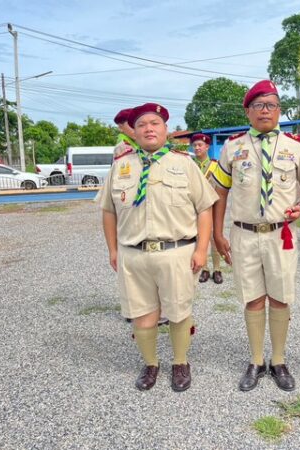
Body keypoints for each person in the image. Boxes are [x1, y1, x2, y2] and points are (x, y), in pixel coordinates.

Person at [98, 103, 218, 392]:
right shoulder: (120, 166)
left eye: (155, 123)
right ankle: (151, 364)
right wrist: (113, 250)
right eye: (142, 125)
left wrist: (202, 249)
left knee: (178, 312)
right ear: (134, 132)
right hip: (133, 254)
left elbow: (204, 209)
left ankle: (180, 362)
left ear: (166, 130)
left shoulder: (184, 163)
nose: (149, 128)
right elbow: (108, 211)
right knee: (142, 315)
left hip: (176, 252)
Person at [212, 80, 300, 392]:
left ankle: (278, 360)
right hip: (244, 234)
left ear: (279, 111)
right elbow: (220, 192)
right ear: (248, 111)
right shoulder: (233, 147)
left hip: (281, 234)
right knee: (253, 299)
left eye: (270, 105)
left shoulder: (295, 148)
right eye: (258, 105)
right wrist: (216, 232)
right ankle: (256, 360)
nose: (264, 111)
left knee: (280, 298)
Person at [190, 133, 223, 284]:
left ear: (207, 147)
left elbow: (221, 187)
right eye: (195, 145)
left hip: (213, 206)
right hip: (195, 208)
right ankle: (205, 269)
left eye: (200, 145)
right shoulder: (190, 165)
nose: (197, 148)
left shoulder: (216, 166)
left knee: (214, 239)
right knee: (199, 238)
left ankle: (217, 269)